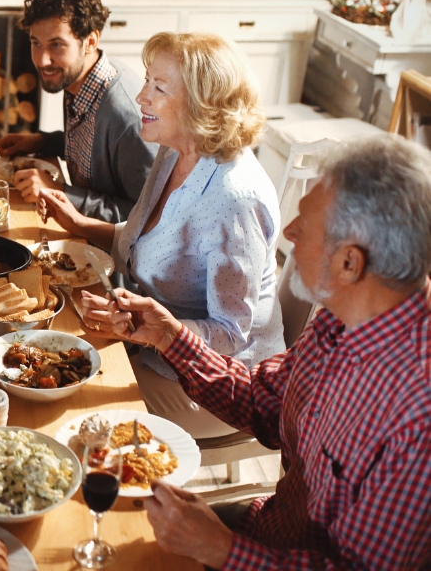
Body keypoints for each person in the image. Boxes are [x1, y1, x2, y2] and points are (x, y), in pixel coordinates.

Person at [80, 134, 431, 569]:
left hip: (261, 556)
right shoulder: (341, 320)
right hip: (267, 528)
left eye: (306, 224)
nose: (287, 232)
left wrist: (221, 550)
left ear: (349, 263)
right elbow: (263, 400)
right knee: (91, 520)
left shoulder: (417, 417)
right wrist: (169, 337)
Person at [41, 32, 285, 439]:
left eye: (158, 87)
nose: (141, 97)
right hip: (156, 348)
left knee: (71, 402)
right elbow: (150, 241)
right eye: (146, 81)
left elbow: (229, 334)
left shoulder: (234, 198)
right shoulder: (175, 151)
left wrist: (149, 330)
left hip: (219, 384)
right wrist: (81, 226)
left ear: (202, 102)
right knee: (50, 357)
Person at [0, 0, 156, 223]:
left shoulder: (127, 118)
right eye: (35, 43)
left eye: (56, 45)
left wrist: (60, 192)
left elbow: (147, 217)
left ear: (90, 42)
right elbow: (91, 149)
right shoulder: (77, 79)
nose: (42, 60)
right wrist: (42, 141)